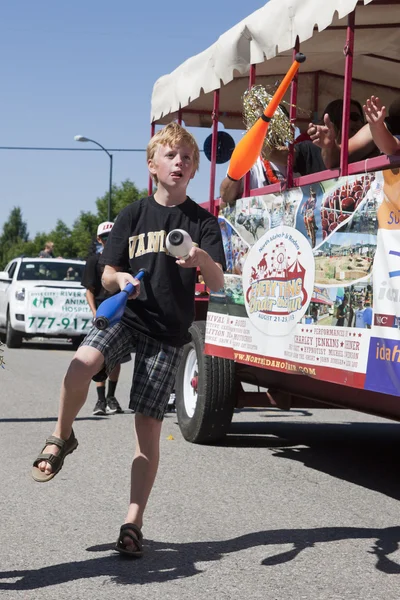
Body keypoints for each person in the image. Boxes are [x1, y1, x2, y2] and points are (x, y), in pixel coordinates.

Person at [31, 122, 226, 558]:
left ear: (193, 170)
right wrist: (120, 280)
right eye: (172, 155)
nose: (180, 162)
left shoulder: (202, 221)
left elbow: (217, 283)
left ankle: (132, 521)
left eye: (188, 158)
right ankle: (62, 436)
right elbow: (107, 271)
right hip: (128, 315)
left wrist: (200, 258)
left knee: (148, 429)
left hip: (167, 332)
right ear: (152, 164)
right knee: (80, 364)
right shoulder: (132, 214)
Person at [81, 221, 124, 416]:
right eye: (105, 237)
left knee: (116, 359)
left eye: (112, 236)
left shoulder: (123, 262)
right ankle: (100, 400)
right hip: (102, 314)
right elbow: (89, 291)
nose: (109, 240)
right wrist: (95, 312)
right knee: (99, 358)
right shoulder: (93, 262)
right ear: (100, 239)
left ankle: (111, 397)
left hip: (121, 314)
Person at [308, 96, 400, 169]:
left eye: (358, 118)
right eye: (352, 117)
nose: (357, 123)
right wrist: (329, 146)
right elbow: (337, 159)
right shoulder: (377, 127)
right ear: (335, 120)